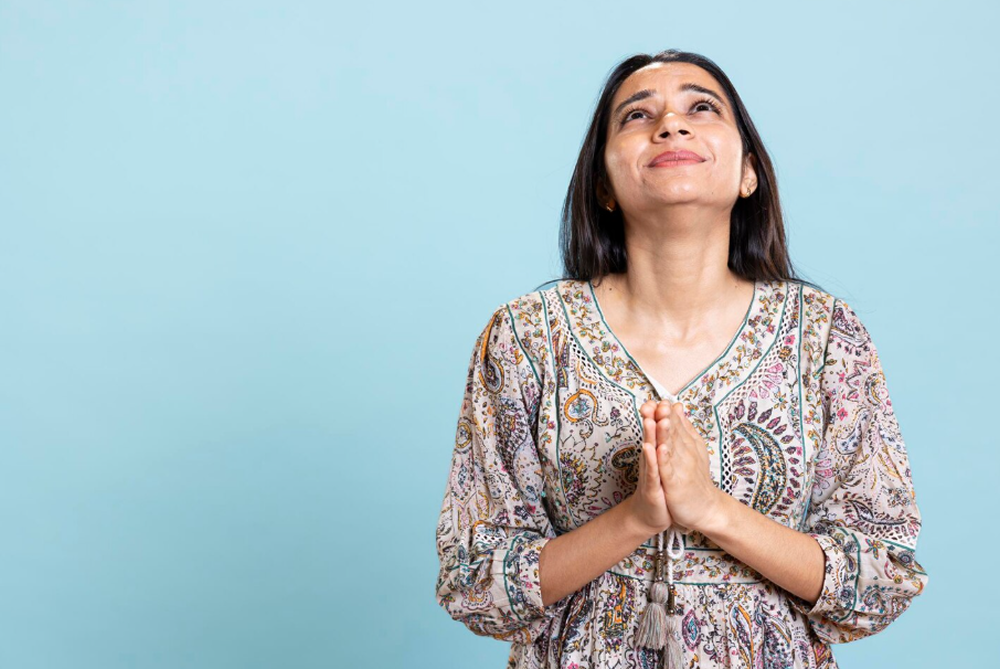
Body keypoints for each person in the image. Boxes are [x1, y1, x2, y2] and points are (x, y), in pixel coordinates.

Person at [433, 49, 928, 669]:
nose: (671, 124)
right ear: (602, 185)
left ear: (748, 172)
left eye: (701, 108)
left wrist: (713, 510)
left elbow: (881, 580)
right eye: (638, 115)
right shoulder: (527, 338)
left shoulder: (827, 337)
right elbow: (475, 584)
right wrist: (635, 518)